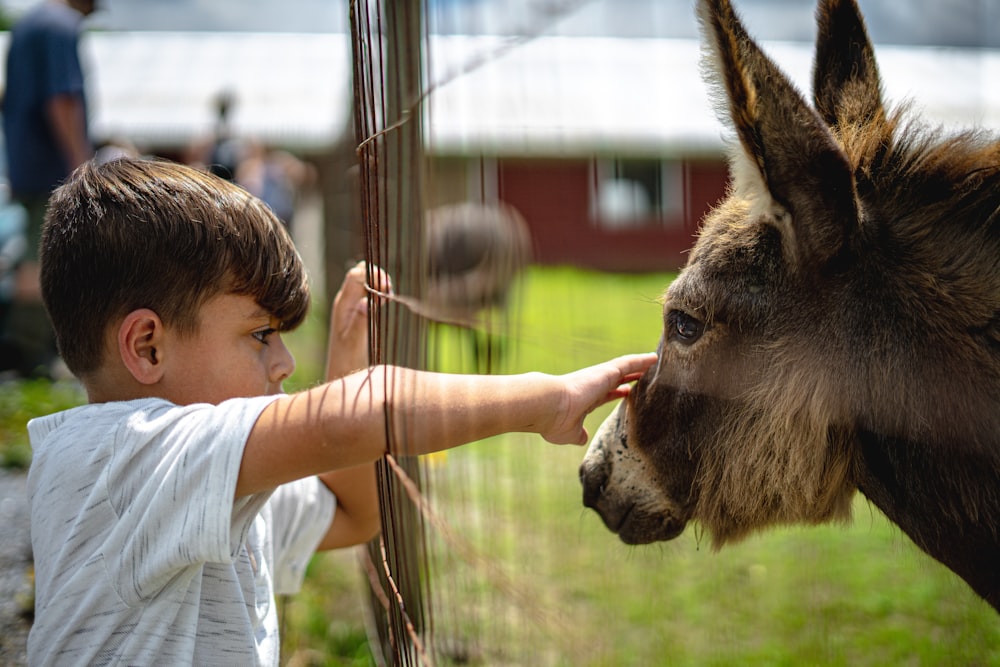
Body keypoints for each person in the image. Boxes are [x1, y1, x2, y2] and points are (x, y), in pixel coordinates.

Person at [26, 156, 657, 665]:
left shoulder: (208, 485)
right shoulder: (122, 460)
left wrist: (346, 362)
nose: (284, 364)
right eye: (259, 335)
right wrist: (548, 400)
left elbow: (352, 514)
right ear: (148, 345)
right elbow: (362, 417)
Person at [2, 0, 97, 377]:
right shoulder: (61, 26)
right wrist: (81, 165)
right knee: (52, 259)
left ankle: (21, 349)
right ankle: (30, 353)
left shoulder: (27, 24)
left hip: (26, 165)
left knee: (32, 254)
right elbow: (62, 98)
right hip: (52, 168)